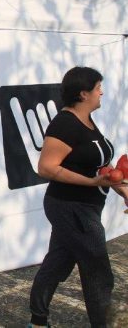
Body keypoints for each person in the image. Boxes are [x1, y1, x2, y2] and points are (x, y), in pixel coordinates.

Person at [28, 66, 128, 328]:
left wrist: (122, 188)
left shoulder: (87, 121)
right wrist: (92, 182)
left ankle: (37, 320)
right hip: (70, 207)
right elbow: (46, 168)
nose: (102, 92)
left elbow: (98, 166)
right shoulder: (64, 124)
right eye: (98, 88)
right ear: (84, 94)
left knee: (58, 263)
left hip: (87, 206)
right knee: (97, 268)